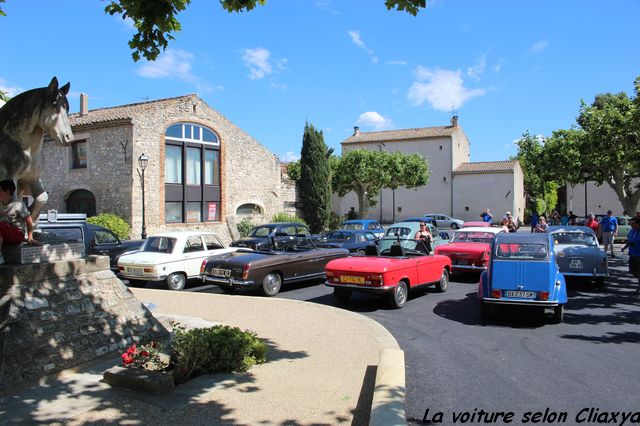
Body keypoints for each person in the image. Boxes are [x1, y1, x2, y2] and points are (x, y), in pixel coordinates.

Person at [0, 179, 39, 264]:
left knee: (1, 226)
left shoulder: (18, 205)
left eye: (0, 191)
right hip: (5, 235)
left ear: (7, 191)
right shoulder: (2, 206)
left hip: (17, 234)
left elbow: (28, 221)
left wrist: (30, 237)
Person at [621, 217, 640, 293]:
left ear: (638, 223)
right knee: (632, 270)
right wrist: (624, 247)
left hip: (639, 254)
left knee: (639, 271)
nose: (631, 225)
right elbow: (629, 241)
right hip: (632, 254)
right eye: (630, 224)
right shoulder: (632, 231)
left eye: (633, 223)